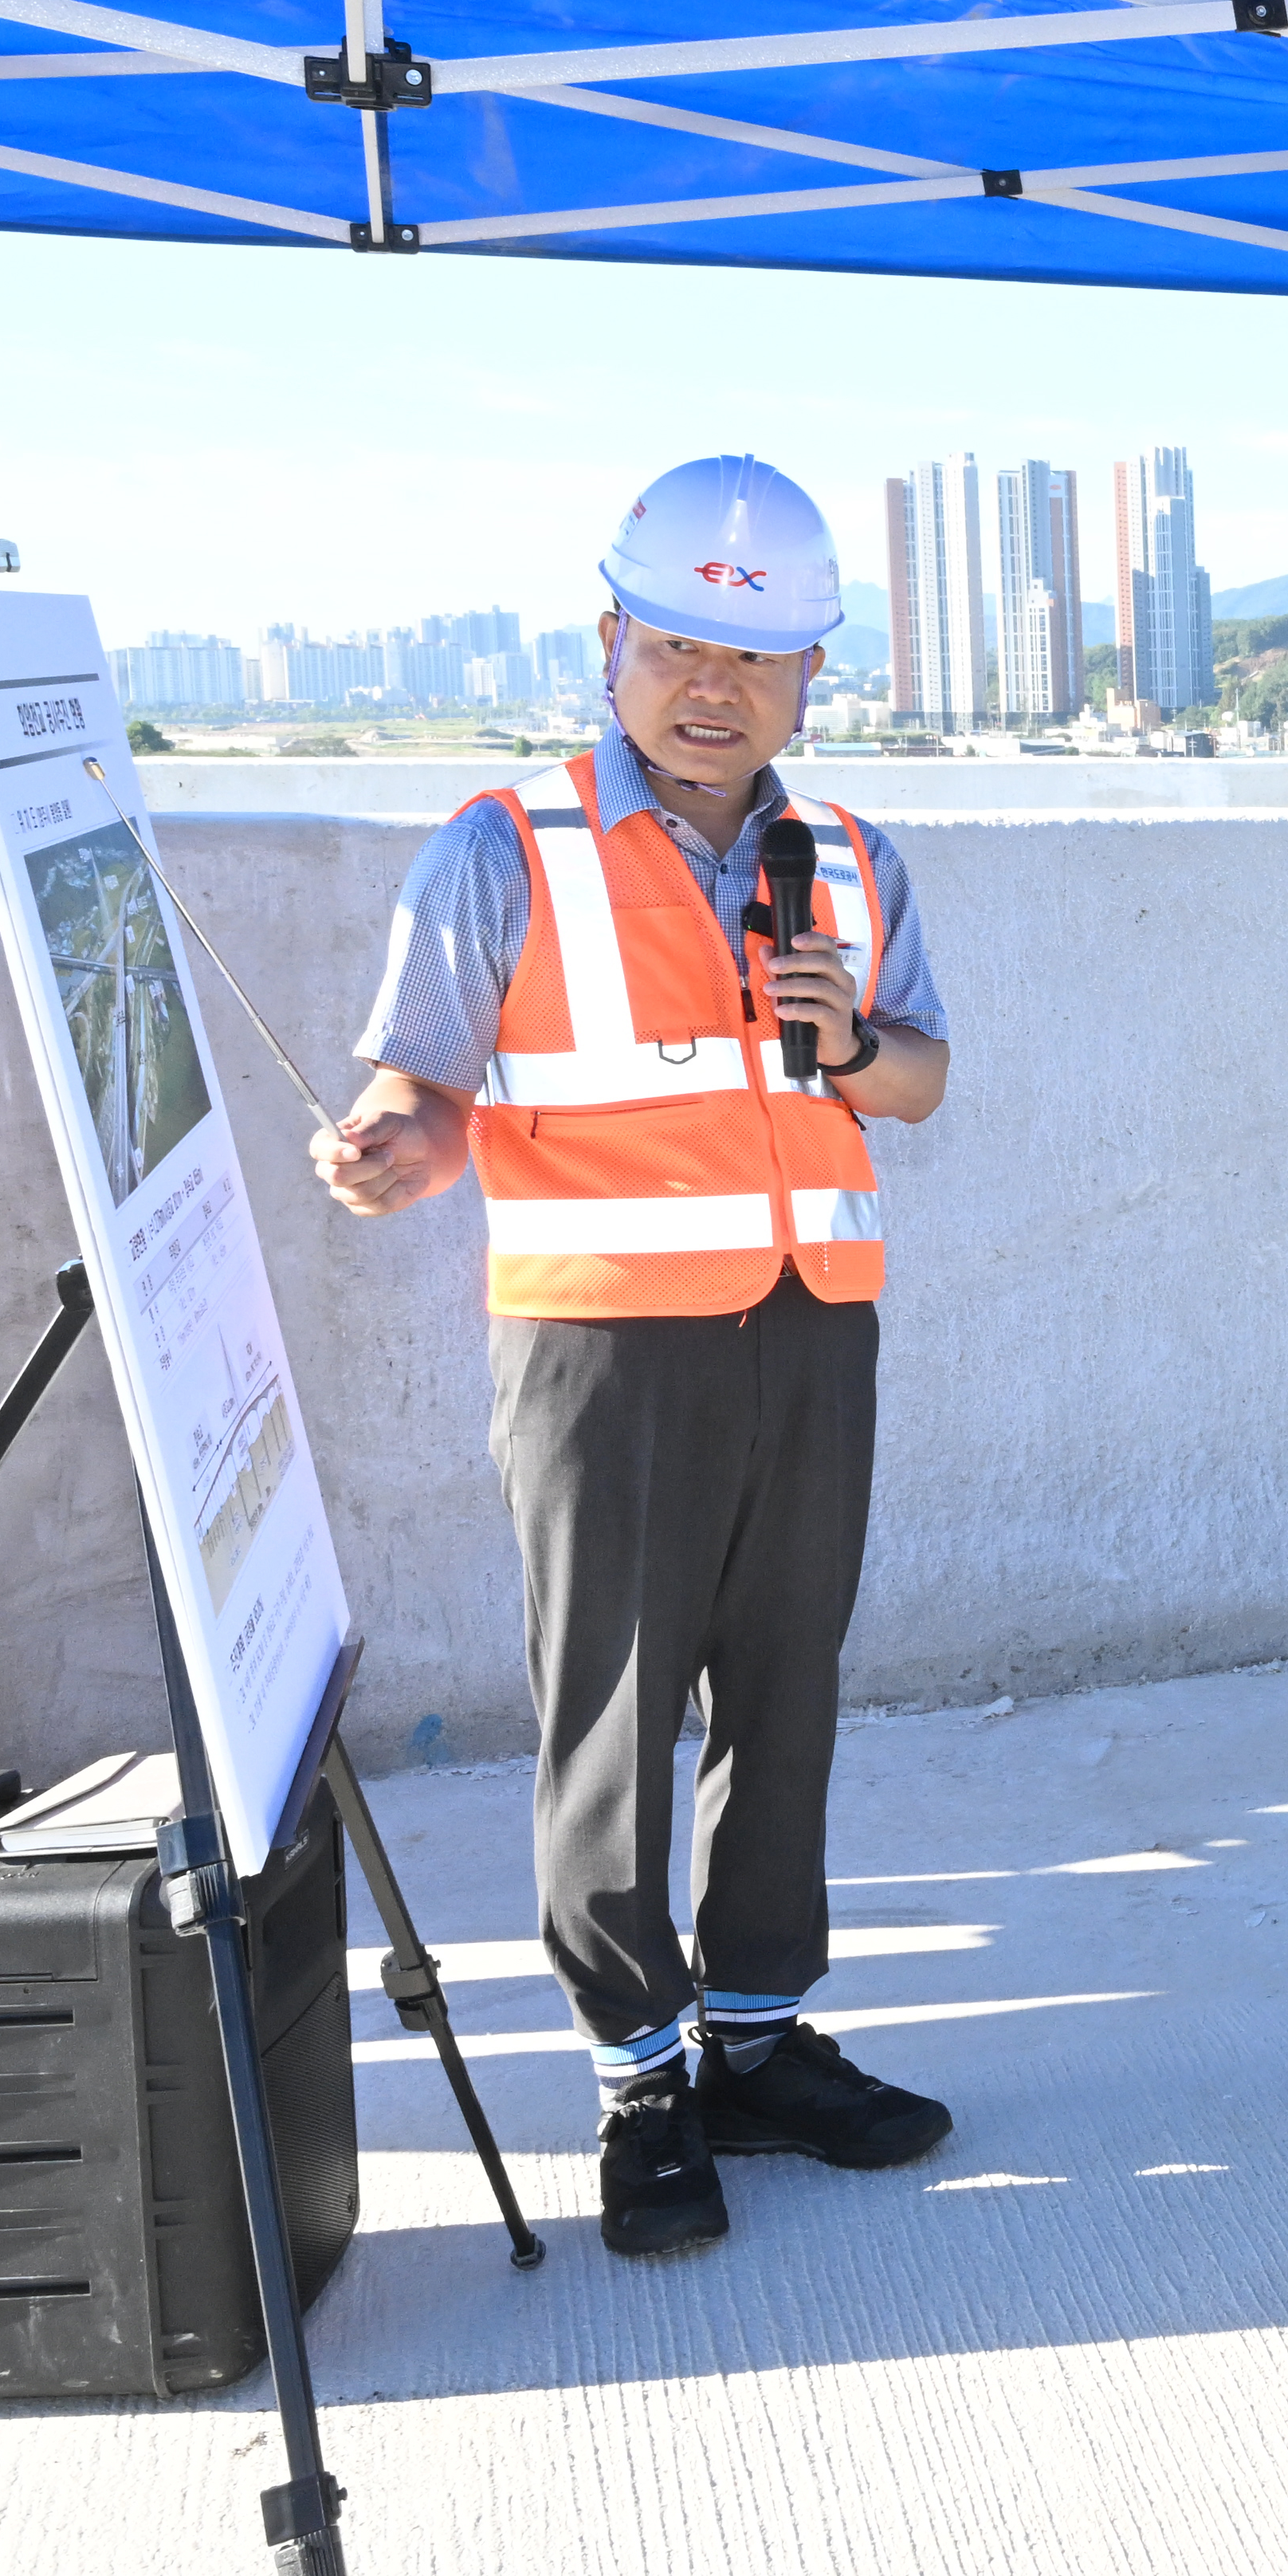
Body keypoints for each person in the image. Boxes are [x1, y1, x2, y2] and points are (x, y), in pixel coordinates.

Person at [312, 458, 961, 2259]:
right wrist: (385, 1146)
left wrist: (850, 1044)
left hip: (811, 1330)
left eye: (755, 661)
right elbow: (428, 1087)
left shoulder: (851, 857)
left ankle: (756, 2039)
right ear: (609, 640)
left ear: (812, 676)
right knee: (612, 1713)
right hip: (601, 1345)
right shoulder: (502, 848)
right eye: (676, 645)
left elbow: (919, 1078)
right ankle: (639, 2078)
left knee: (785, 1693)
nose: (711, 689)